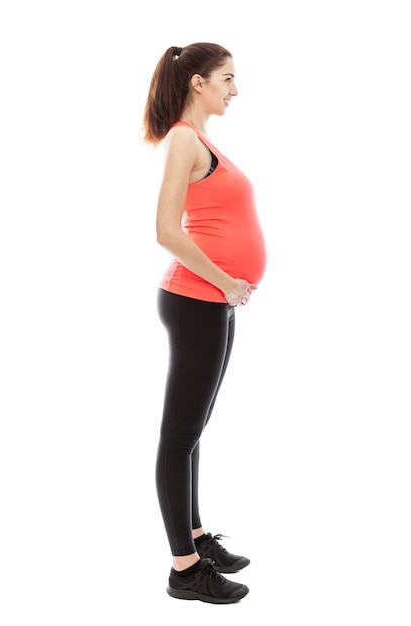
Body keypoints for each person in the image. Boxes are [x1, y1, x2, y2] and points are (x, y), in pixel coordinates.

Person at [141, 42, 267, 604]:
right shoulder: (183, 138)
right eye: (227, 79)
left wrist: (227, 287)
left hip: (211, 300)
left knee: (194, 431)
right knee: (179, 436)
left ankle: (195, 536)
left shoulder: (202, 139)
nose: (234, 90)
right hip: (195, 299)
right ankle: (185, 570)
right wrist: (224, 281)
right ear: (198, 83)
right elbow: (167, 231)